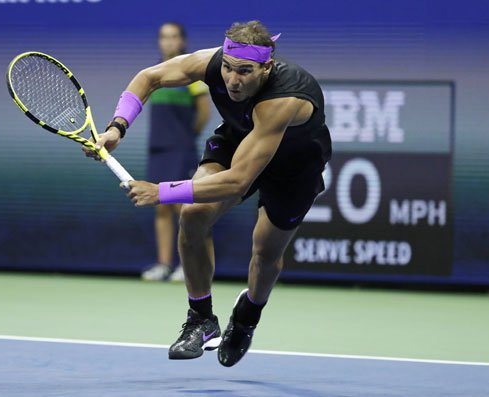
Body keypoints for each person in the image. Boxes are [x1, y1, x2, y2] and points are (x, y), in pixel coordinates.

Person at [86, 20, 332, 367]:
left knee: (265, 254)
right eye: (229, 69)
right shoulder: (212, 63)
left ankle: (247, 316)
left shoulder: (283, 99)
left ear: (267, 68)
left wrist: (161, 191)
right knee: (194, 214)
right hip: (238, 140)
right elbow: (149, 77)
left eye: (244, 72)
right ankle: (201, 318)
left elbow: (237, 182)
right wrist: (117, 126)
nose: (233, 80)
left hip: (294, 168)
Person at [140, 22, 211, 282]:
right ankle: (163, 264)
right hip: (158, 148)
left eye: (173, 37)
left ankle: (186, 266)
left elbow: (204, 112)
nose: (168, 42)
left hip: (181, 149)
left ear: (181, 41)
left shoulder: (191, 73)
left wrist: (186, 137)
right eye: (163, 37)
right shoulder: (154, 75)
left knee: (183, 207)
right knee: (161, 207)